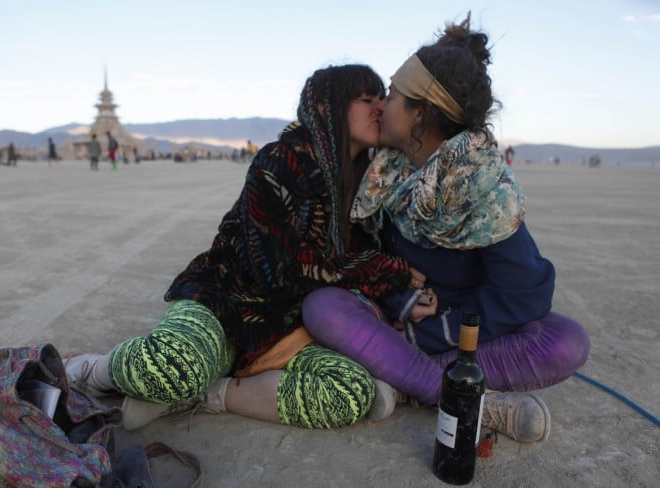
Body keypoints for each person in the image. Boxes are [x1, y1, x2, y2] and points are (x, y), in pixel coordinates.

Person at [64, 64, 420, 432]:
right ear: (325, 108)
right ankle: (92, 369)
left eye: (383, 98)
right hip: (227, 305)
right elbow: (280, 272)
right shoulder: (280, 161)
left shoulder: (372, 181)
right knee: (171, 368)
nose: (380, 107)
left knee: (348, 392)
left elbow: (357, 263)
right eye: (366, 99)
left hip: (292, 327)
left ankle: (206, 394)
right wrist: (387, 272)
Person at [302, 16, 590, 443]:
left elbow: (524, 293)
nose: (381, 106)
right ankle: (461, 396)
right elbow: (363, 257)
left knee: (566, 341)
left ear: (422, 113)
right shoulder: (382, 170)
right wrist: (401, 300)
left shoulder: (484, 189)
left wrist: (434, 332)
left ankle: (407, 382)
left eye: (394, 96)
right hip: (396, 320)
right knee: (323, 306)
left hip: (462, 331)